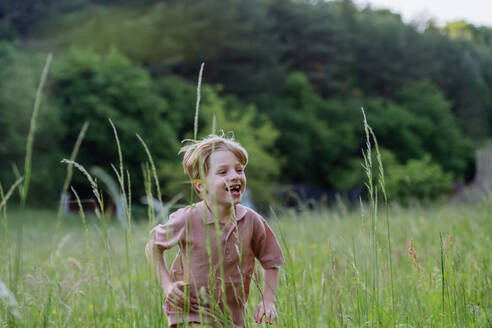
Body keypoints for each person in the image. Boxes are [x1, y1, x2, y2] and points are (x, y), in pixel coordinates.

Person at [146, 134, 284, 327]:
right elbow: (153, 245)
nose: (234, 176)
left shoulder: (251, 221)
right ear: (201, 186)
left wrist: (268, 300)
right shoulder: (188, 218)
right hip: (190, 311)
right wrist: (167, 285)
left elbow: (272, 261)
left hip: (232, 317)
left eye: (239, 169)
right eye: (223, 172)